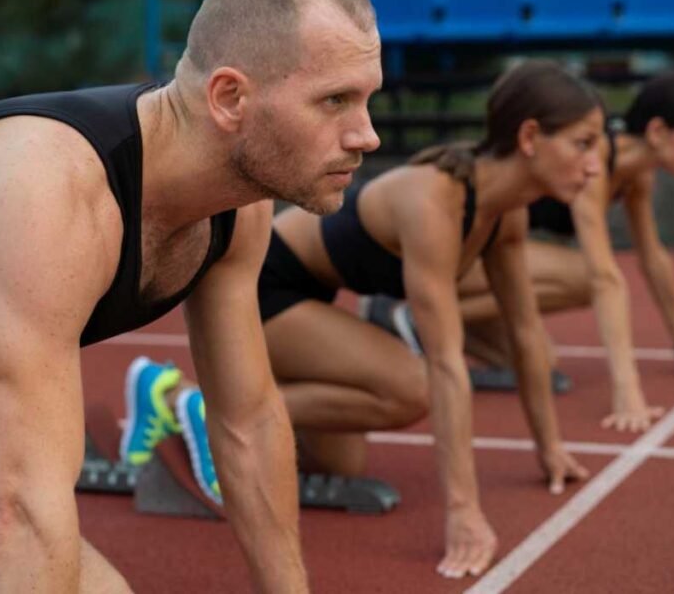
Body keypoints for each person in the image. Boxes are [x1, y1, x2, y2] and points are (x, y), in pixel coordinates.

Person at [0, 0, 381, 593]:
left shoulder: (237, 212)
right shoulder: (52, 189)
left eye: (367, 99)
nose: (367, 135)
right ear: (230, 97)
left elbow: (246, 424)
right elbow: (26, 513)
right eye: (335, 101)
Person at [123, 59, 602, 580]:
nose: (596, 165)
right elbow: (444, 362)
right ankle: (195, 403)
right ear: (530, 137)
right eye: (583, 143)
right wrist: (464, 511)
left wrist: (551, 449)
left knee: (340, 463)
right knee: (410, 386)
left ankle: (174, 393)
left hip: (315, 297)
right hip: (265, 285)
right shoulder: (436, 201)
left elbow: (526, 332)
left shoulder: (505, 211)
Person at [446, 71, 674, 433]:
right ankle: (417, 309)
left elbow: (654, 258)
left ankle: (419, 321)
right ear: (657, 132)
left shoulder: (638, 175)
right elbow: (603, 276)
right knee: (584, 276)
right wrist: (628, 391)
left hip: (494, 256)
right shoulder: (596, 161)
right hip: (460, 252)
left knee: (542, 364)